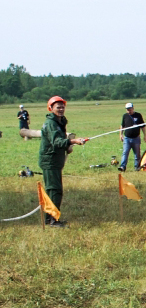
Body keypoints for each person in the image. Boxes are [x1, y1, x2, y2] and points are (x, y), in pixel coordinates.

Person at [39, 96, 89, 227]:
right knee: (54, 190)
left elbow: (60, 142)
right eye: (58, 107)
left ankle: (50, 218)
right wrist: (73, 141)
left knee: (53, 190)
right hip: (50, 161)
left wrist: (67, 147)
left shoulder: (59, 122)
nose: (61, 109)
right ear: (50, 108)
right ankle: (53, 220)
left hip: (56, 160)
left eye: (62, 107)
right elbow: (56, 142)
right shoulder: (50, 123)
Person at [118, 102, 146, 171]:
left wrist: (145, 135)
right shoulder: (125, 116)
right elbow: (122, 126)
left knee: (137, 154)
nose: (129, 111)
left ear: (133, 108)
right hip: (127, 138)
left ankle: (137, 167)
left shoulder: (138, 115)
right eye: (127, 109)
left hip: (136, 138)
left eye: (130, 109)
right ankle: (123, 167)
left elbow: (143, 126)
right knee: (125, 153)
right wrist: (121, 134)